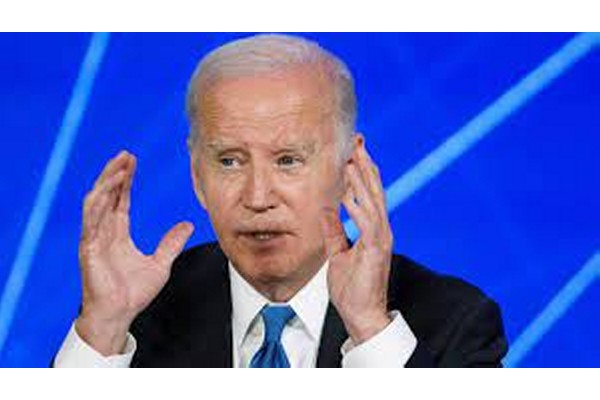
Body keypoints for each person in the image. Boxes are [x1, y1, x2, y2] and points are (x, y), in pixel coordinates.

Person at [53, 33, 508, 368]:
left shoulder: (454, 321)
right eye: (230, 161)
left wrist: (369, 329)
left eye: (288, 160)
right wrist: (103, 328)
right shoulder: (135, 316)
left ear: (349, 169)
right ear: (197, 177)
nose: (257, 198)